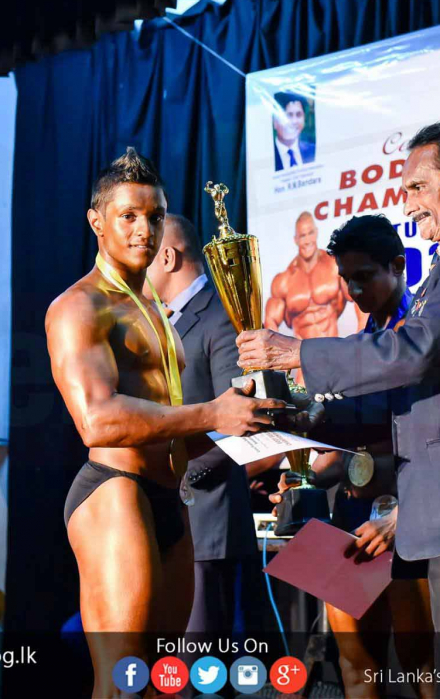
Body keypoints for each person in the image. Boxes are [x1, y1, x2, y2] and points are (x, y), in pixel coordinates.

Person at [238, 121, 440, 697]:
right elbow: (399, 402)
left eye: (417, 187)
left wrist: (298, 352)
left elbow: (420, 349)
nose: (406, 202)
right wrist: (296, 418)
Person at [45, 148, 285, 695]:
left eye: (154, 216)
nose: (144, 230)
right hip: (115, 492)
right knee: (122, 682)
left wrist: (247, 419)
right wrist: (214, 412)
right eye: (128, 216)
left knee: (161, 682)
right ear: (97, 221)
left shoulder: (152, 309)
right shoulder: (80, 307)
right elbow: (97, 422)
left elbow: (171, 427)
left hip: (171, 499)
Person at [272, 214, 434, 699]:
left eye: (365, 277)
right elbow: (350, 451)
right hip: (351, 518)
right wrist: (308, 477)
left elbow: (438, 441)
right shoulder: (357, 348)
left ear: (398, 266)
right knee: (356, 663)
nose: (355, 291)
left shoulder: (424, 341)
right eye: (347, 279)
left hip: (408, 519)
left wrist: (407, 514)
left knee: (424, 664)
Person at [144, 213, 262, 639]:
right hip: (165, 517)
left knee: (198, 658)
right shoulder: (161, 323)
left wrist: (174, 474)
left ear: (167, 257)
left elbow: (241, 420)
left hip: (206, 520)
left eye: (144, 256)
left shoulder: (222, 317)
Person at [264, 212, 354, 339]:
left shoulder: (335, 265)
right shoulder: (283, 281)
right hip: (301, 350)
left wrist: (363, 338)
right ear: (296, 240)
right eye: (302, 236)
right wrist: (279, 349)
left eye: (310, 233)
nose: (307, 241)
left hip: (333, 346)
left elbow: (360, 296)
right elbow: (270, 321)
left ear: (316, 233)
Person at [272, 91, 315, 170]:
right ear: (275, 122)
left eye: (299, 115)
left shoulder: (313, 150)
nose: (294, 121)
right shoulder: (268, 157)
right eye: (288, 116)